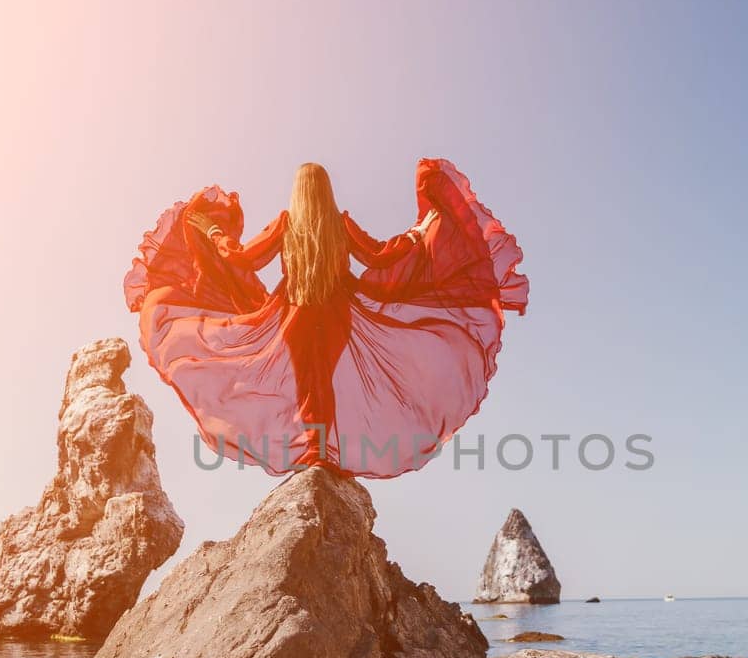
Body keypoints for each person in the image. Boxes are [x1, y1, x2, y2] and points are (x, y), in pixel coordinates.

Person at [123, 159, 527, 477]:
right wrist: (419, 232)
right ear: (326, 190)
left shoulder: (285, 224)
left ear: (298, 191)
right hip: (338, 312)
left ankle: (316, 455)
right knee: (323, 386)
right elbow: (381, 255)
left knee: (307, 385)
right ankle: (321, 456)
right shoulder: (341, 223)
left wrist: (212, 233)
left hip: (295, 312)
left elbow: (242, 257)